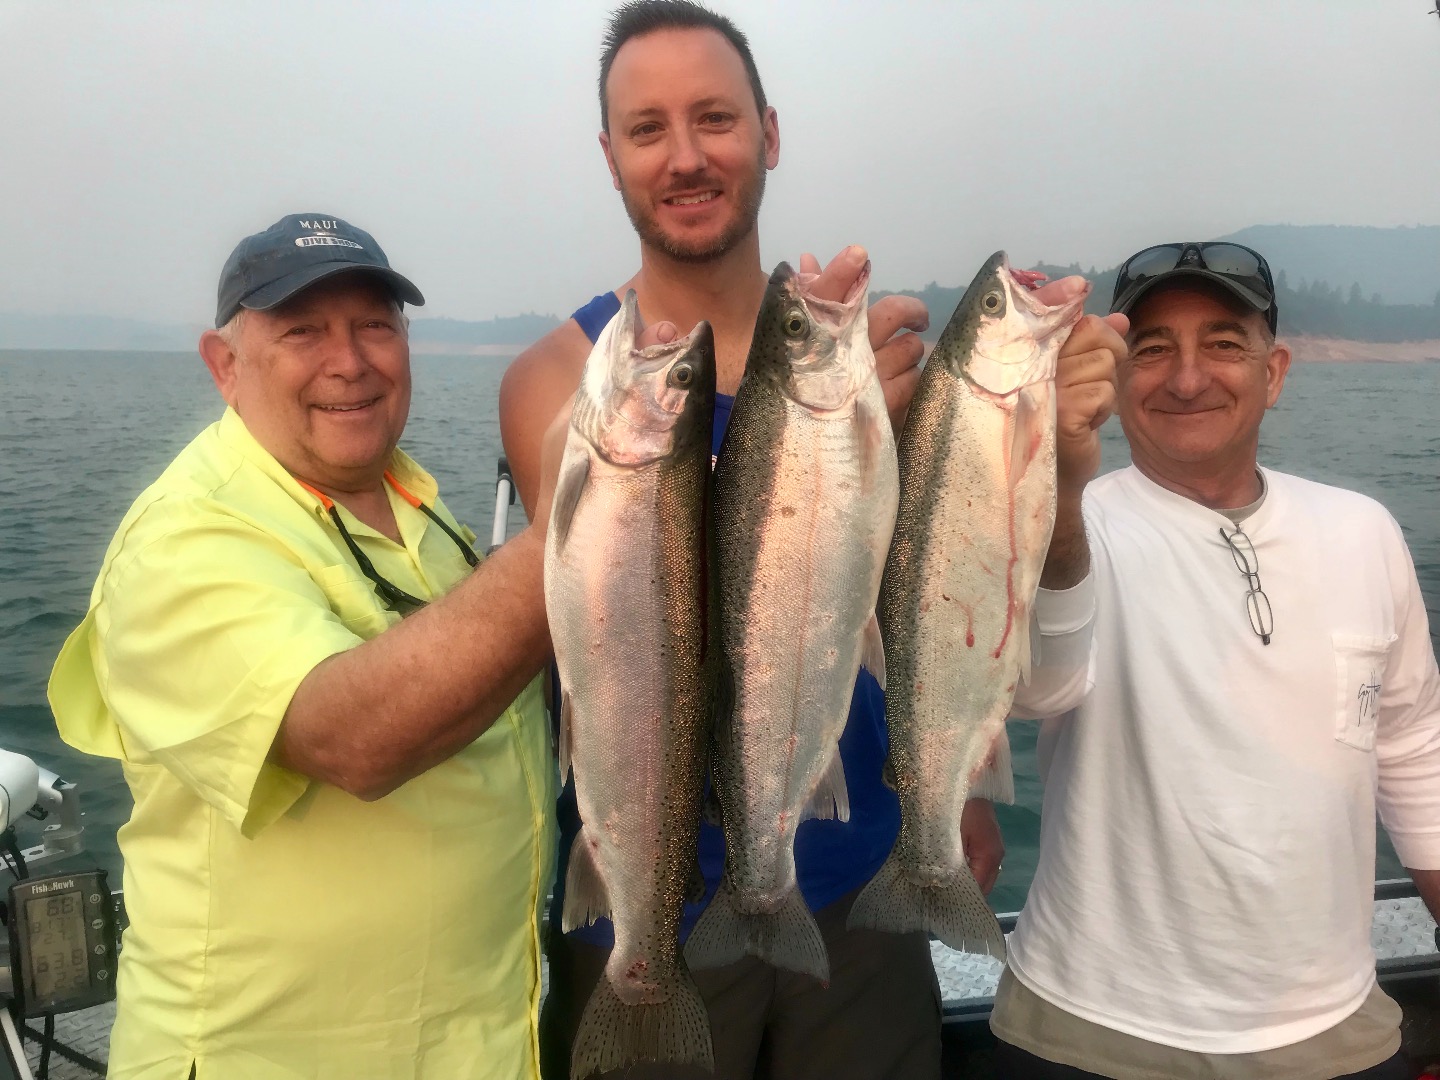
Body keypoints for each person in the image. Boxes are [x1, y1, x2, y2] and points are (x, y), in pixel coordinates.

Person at [498, 3, 1126, 1077]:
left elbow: (912, 595)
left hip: (860, 882)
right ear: (611, 157)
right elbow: (614, 606)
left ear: (770, 133)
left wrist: (958, 780)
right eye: (647, 129)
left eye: (715, 118)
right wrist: (795, 438)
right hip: (655, 893)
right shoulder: (562, 380)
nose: (686, 156)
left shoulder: (860, 365)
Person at [48, 213, 575, 1079]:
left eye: (375, 324)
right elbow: (354, 737)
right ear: (226, 365)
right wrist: (591, 529)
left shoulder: (415, 506)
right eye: (303, 330)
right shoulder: (182, 541)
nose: (350, 360)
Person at [990, 241, 1440, 1080]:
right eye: (1153, 348)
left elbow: (1413, 746)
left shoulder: (1365, 531)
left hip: (1336, 1027)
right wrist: (1054, 507)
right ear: (1113, 379)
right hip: (1089, 1028)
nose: (1188, 377)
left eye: (1224, 344)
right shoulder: (1067, 523)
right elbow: (1034, 691)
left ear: (1275, 372)